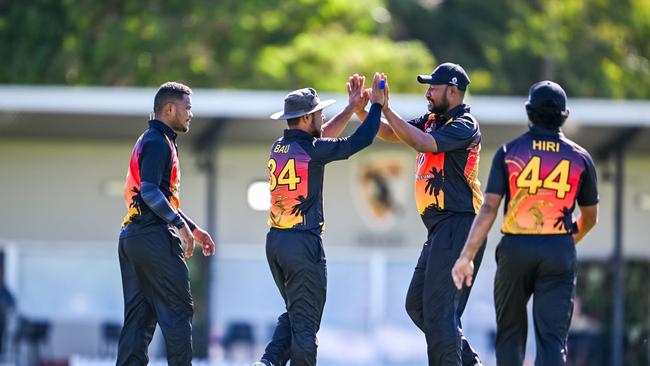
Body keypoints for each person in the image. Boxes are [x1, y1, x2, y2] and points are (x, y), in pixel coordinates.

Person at [452, 80, 599, 365]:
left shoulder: (509, 152)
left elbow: (489, 208)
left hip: (516, 248)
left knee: (509, 336)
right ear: (563, 116)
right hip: (559, 249)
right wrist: (563, 242)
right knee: (553, 341)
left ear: (529, 113)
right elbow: (590, 218)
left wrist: (466, 255)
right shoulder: (581, 158)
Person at [354, 63, 485, 365]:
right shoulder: (431, 119)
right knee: (418, 306)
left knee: (440, 314)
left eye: (433, 87)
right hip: (441, 229)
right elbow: (389, 133)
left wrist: (385, 107)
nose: (428, 93)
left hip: (459, 224)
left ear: (453, 91)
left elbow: (423, 143)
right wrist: (366, 111)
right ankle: (469, 362)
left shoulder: (464, 124)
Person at [254, 73, 386, 366]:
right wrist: (376, 106)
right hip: (303, 245)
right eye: (318, 114)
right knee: (306, 322)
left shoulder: (279, 147)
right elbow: (360, 140)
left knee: (296, 311)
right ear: (306, 118)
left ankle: (269, 361)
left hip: (275, 243)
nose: (322, 117)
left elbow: (322, 135)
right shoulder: (312, 150)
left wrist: (352, 108)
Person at [117, 81, 216, 365]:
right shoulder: (158, 142)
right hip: (152, 237)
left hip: (132, 237)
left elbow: (158, 196)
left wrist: (194, 229)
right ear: (169, 109)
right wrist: (181, 228)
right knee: (179, 309)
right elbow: (149, 192)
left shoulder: (151, 139)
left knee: (139, 317)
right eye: (187, 108)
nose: (190, 114)